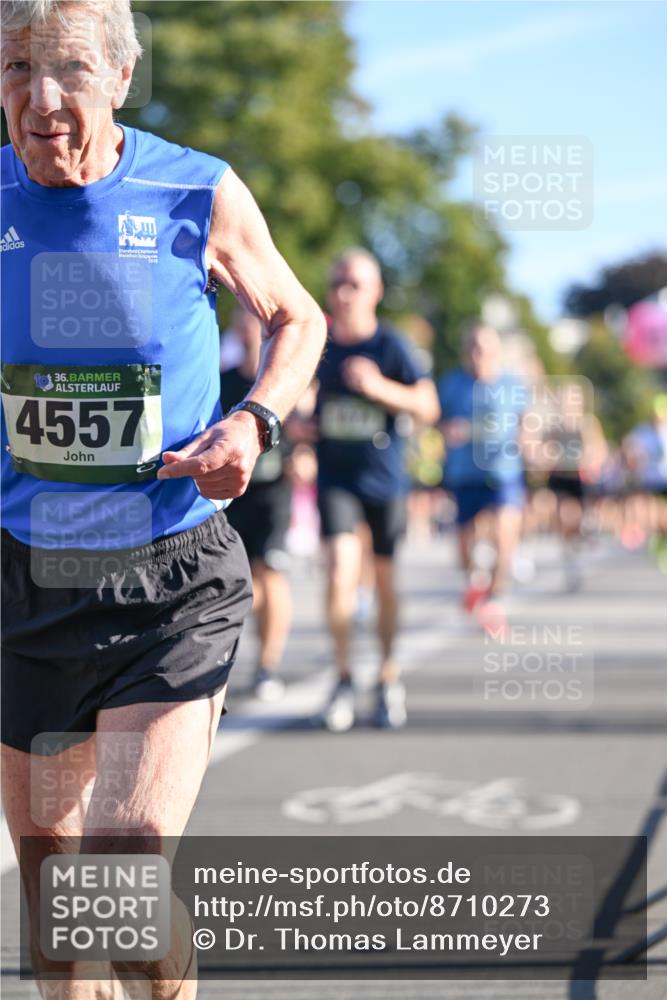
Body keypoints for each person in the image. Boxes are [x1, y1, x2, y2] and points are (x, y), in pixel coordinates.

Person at [0, 3, 326, 998]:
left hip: (169, 577)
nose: (38, 99)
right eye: (15, 67)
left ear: (122, 76)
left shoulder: (196, 190)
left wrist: (254, 423)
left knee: (123, 873)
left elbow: (296, 317)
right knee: (58, 904)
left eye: (68, 71)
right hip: (27, 580)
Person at [314, 248, 440, 731]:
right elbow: (300, 402)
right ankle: (344, 675)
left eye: (355, 285)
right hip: (336, 478)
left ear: (376, 292)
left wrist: (379, 387)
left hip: (385, 480)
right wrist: (302, 425)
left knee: (385, 580)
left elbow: (427, 406)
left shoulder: (392, 345)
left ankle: (388, 676)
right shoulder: (319, 343)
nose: (344, 294)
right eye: (338, 284)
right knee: (339, 571)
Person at [220, 308, 293, 700]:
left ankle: (267, 665)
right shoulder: (221, 381)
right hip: (232, 498)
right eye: (241, 319)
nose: (248, 327)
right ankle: (227, 661)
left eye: (254, 319)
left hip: (274, 493)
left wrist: (306, 454)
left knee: (271, 573)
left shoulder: (284, 384)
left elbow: (304, 429)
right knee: (239, 582)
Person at [438, 323, 527, 610]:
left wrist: (527, 439)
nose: (480, 354)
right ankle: (475, 577)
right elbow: (435, 417)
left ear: (497, 351)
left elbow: (527, 421)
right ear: (466, 352)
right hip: (464, 474)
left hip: (503, 472)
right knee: (464, 550)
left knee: (505, 529)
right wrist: (446, 429)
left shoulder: (513, 384)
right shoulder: (452, 384)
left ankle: (498, 592)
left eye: (486, 348)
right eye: (474, 348)